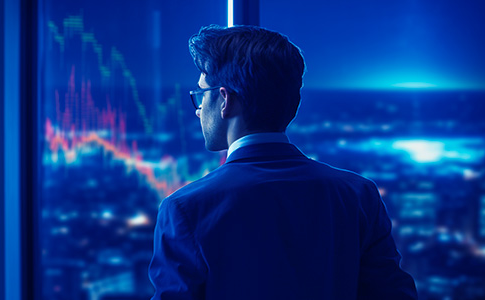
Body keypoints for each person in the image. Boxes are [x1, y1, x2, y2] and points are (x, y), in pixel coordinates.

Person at [148, 25, 417, 299]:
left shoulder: (186, 208)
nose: (198, 109)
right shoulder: (358, 194)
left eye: (202, 94)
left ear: (225, 100)